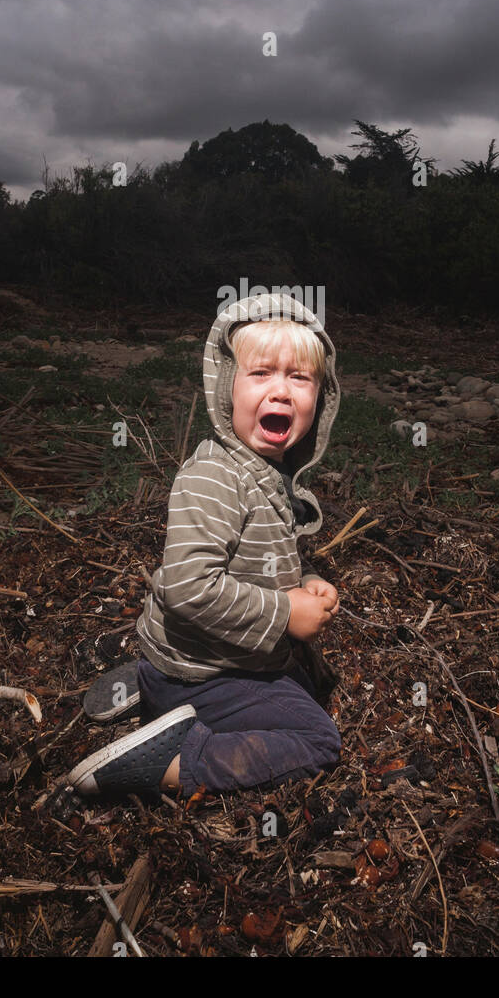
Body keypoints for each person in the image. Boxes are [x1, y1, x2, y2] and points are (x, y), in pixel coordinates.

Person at [66, 290, 342, 801]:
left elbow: (253, 563)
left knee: (309, 684)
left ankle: (151, 687)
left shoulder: (266, 473)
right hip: (206, 672)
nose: (281, 391)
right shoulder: (215, 476)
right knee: (317, 738)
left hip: (205, 656)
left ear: (319, 398)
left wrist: (302, 584)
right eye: (261, 373)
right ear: (226, 389)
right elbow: (187, 587)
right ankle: (166, 758)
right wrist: (284, 614)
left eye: (299, 377)